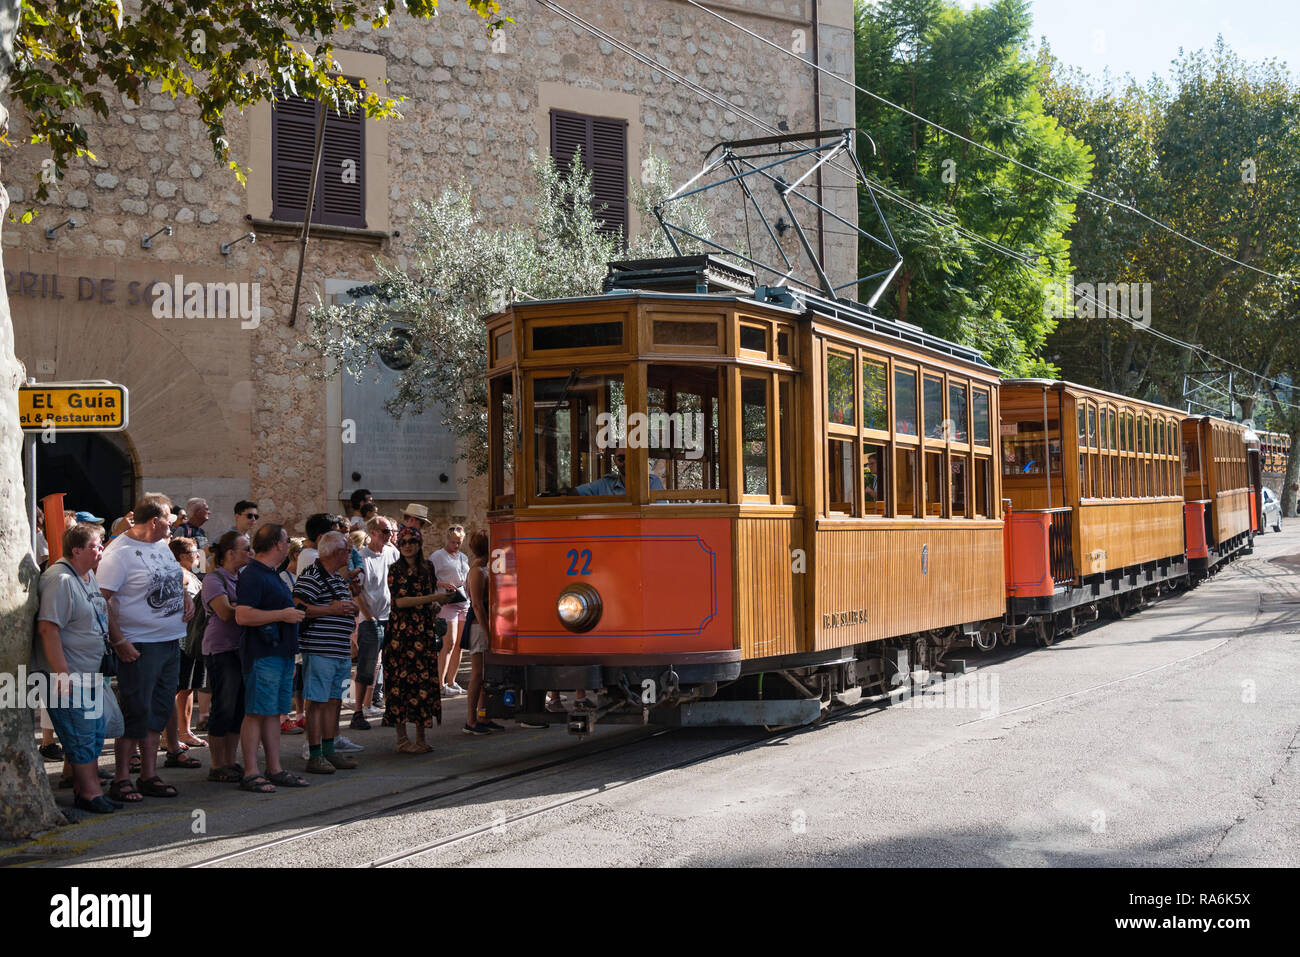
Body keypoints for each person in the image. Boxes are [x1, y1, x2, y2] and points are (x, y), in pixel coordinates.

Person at [98, 494, 195, 803]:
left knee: (159, 710)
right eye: (169, 520)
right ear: (154, 521)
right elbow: (101, 600)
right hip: (139, 644)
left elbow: (172, 579)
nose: (172, 526)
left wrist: (185, 596)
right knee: (136, 711)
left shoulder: (160, 546)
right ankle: (121, 778)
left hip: (169, 641)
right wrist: (119, 641)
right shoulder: (120, 553)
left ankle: (149, 775)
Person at [35, 523, 118, 813]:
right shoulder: (60, 580)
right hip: (69, 675)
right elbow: (48, 629)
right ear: (77, 550)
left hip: (91, 672)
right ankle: (91, 794)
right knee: (81, 735)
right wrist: (62, 674)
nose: (102, 549)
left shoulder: (87, 575)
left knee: (93, 734)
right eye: (96, 545)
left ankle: (87, 789)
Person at [234, 523, 309, 792]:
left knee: (273, 713)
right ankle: (251, 772)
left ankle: (274, 768)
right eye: (286, 541)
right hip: (263, 655)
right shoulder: (254, 575)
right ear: (277, 544)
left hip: (280, 654)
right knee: (256, 712)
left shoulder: (270, 574)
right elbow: (242, 615)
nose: (288, 545)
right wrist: (282, 615)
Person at [293, 531, 360, 774]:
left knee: (335, 701)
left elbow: (341, 607)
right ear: (335, 552)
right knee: (318, 702)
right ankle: (315, 754)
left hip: (339, 649)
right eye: (347, 551)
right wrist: (331, 610)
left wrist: (351, 609)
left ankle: (329, 751)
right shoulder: (312, 576)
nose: (350, 555)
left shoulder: (336, 578)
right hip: (320, 649)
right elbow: (298, 606)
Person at [384, 525, 453, 753]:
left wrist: (437, 604)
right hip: (401, 635)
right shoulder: (395, 569)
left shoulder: (427, 567)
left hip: (423, 632)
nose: (407, 546)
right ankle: (402, 739)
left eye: (411, 541)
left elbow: (427, 597)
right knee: (400, 685)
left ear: (419, 544)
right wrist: (433, 598)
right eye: (402, 542)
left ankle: (421, 737)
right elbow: (400, 601)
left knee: (423, 683)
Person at [202, 531, 251, 783]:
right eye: (246, 549)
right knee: (224, 706)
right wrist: (249, 610)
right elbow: (224, 612)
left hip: (240, 650)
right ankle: (216, 764)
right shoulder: (214, 579)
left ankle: (230, 761)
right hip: (221, 650)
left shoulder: (241, 577)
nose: (251, 553)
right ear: (230, 553)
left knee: (238, 708)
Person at [351, 516, 398, 731]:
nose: (390, 535)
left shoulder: (392, 553)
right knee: (367, 667)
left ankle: (391, 708)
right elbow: (357, 592)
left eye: (390, 531)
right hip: (372, 620)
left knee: (391, 665)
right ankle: (358, 711)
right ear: (372, 533)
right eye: (385, 531)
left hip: (390, 617)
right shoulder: (362, 558)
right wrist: (369, 617)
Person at [167, 537, 209, 756]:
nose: (198, 555)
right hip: (181, 640)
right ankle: (168, 735)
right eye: (194, 552)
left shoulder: (190, 574)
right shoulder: (177, 573)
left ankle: (185, 731)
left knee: (188, 687)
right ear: (182, 556)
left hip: (192, 640)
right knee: (176, 689)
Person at [462, 530, 503, 735]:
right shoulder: (477, 571)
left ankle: (483, 715)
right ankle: (471, 720)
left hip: (484, 624)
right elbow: (477, 604)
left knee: (486, 674)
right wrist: (487, 632)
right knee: (477, 674)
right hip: (478, 626)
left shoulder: (485, 568)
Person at [431, 524, 470, 698]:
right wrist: (442, 584)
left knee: (459, 645)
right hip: (447, 602)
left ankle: (451, 681)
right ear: (446, 539)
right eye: (453, 542)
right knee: (449, 643)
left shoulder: (463, 557)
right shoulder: (437, 556)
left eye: (459, 542)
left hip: (463, 601)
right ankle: (439, 684)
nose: (456, 545)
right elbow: (428, 578)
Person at [574, 450, 665, 496]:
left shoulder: (651, 482)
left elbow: (660, 513)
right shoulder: (605, 484)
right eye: (621, 458)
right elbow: (576, 492)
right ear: (615, 460)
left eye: (630, 457)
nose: (625, 462)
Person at [173, 498, 212, 570]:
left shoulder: (201, 531)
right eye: (206, 509)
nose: (209, 512)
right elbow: (175, 555)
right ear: (198, 512)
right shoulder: (183, 529)